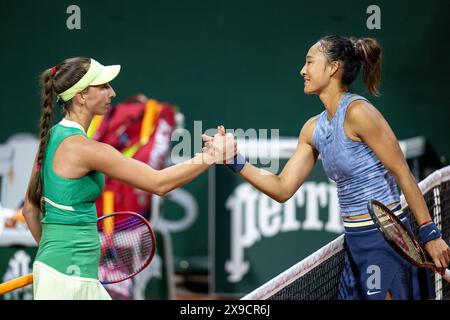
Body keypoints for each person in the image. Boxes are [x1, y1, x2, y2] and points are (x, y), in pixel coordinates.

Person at [206, 35, 450, 299]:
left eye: (310, 62)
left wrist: (430, 233)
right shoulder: (313, 129)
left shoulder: (359, 113)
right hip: (355, 246)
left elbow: (403, 173)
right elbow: (282, 188)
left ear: (333, 67)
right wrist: (235, 161)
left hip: (386, 243)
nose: (303, 70)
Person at [22, 57, 236, 300]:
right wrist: (210, 156)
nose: (112, 92)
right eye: (103, 86)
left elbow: (30, 210)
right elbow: (159, 183)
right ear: (81, 95)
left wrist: (51, 258)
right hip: (70, 282)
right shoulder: (85, 149)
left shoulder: (52, 136)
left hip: (61, 272)